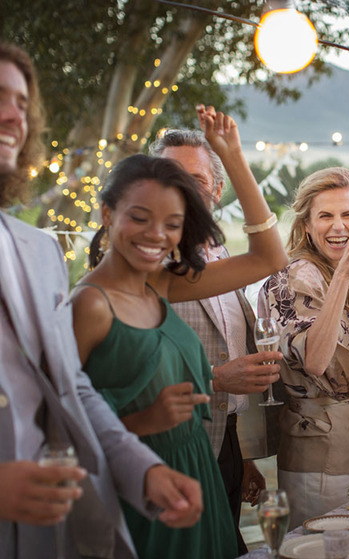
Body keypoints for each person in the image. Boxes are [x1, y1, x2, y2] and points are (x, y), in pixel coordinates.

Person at [0, 41, 203, 559]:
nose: (12, 116)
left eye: (22, 103)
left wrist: (144, 468)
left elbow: (72, 390)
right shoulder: (91, 296)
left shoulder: (40, 251)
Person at [70, 106, 287, 558]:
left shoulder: (162, 281)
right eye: (141, 217)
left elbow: (269, 258)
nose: (158, 235)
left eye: (172, 222)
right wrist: (146, 420)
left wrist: (233, 155)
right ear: (108, 213)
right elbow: (60, 421)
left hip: (199, 468)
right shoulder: (88, 304)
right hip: (145, 480)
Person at [150, 128, 286, 555]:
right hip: (173, 448)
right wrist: (216, 379)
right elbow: (131, 377)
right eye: (172, 177)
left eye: (197, 179)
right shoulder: (150, 265)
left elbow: (228, 343)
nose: (185, 190)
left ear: (218, 188)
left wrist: (242, 454)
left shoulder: (221, 253)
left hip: (224, 439)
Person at [257, 167, 349, 529]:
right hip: (317, 450)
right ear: (306, 225)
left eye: (347, 215)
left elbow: (336, 353)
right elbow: (316, 363)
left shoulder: (330, 269)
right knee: (325, 547)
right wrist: (345, 274)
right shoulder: (293, 277)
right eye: (326, 216)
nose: (338, 226)